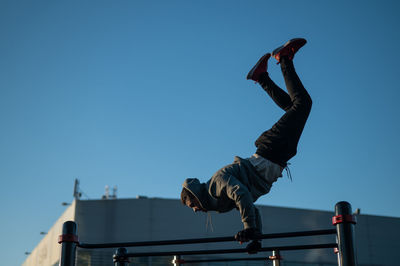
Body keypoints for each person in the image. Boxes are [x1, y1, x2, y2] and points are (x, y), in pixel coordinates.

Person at [181, 38, 312, 252]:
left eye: (192, 205)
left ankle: (284, 58)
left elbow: (241, 193)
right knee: (294, 107)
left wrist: (248, 227)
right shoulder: (219, 200)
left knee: (303, 104)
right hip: (277, 155)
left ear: (196, 195)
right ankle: (261, 77)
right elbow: (250, 205)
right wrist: (256, 238)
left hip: (271, 150)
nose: (196, 210)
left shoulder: (216, 184)